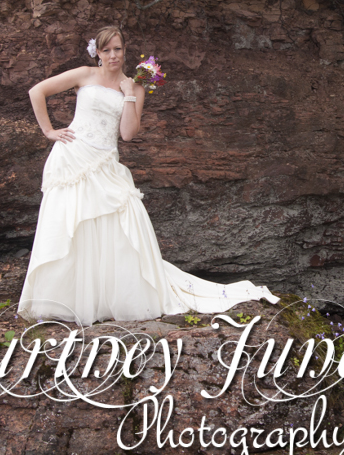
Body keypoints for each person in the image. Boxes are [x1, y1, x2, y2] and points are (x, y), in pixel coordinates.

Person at [18, 26, 279, 324]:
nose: (112, 55)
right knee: (71, 225)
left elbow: (128, 134)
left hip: (105, 160)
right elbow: (36, 91)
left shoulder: (136, 85)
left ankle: (111, 298)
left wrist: (129, 94)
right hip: (73, 156)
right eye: (106, 50)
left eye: (117, 49)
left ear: (125, 50)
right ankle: (69, 300)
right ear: (97, 53)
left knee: (116, 230)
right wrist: (50, 131)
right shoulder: (84, 74)